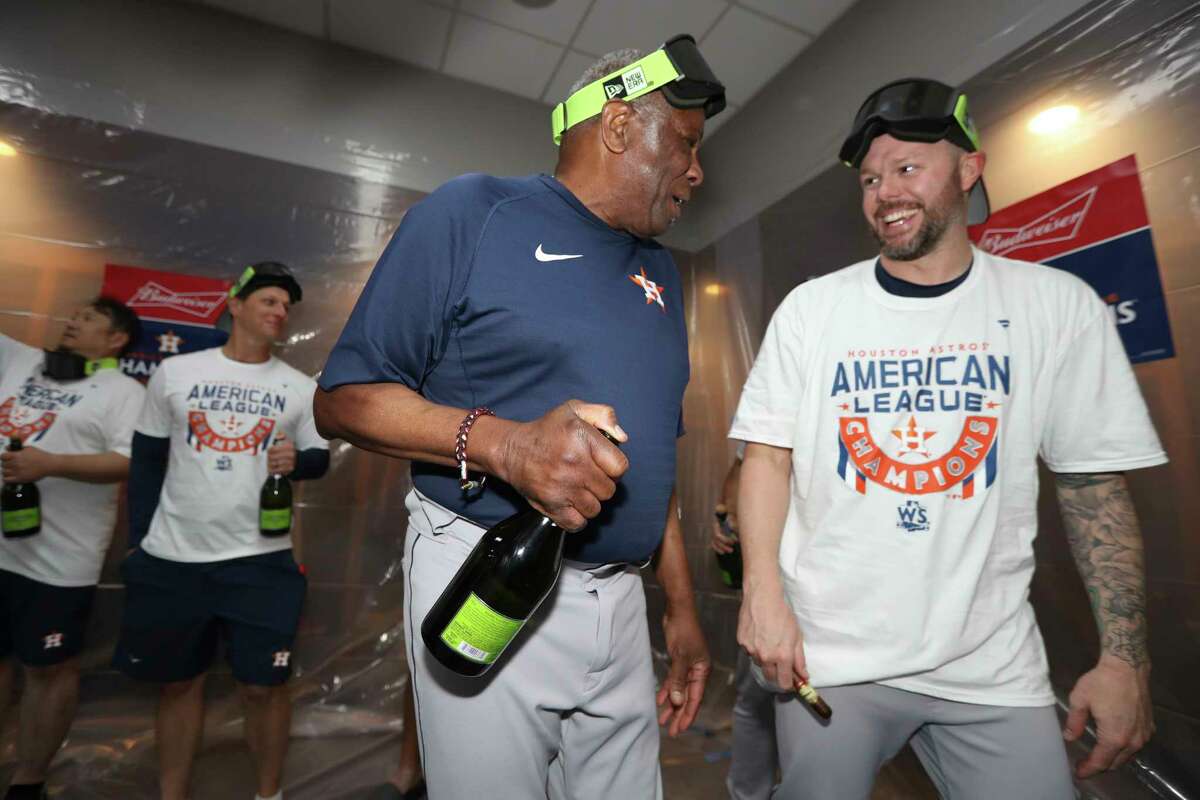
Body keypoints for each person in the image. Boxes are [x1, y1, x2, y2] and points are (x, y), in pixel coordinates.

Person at [730, 78, 1166, 800]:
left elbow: (1092, 486)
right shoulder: (814, 310)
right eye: (870, 178)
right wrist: (762, 596)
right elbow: (768, 458)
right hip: (832, 658)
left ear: (969, 169)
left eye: (907, 168)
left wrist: (1126, 660)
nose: (884, 192)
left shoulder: (1055, 307)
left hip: (990, 664)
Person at [314, 35, 725, 800]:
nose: (698, 172)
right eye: (688, 144)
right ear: (618, 127)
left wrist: (682, 607)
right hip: (488, 573)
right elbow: (342, 398)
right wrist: (504, 446)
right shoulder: (474, 212)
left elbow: (655, 459)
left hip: (622, 603)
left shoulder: (661, 272)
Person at [112, 262, 330, 800]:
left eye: (285, 306)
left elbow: (320, 458)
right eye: (269, 302)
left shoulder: (298, 389)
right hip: (172, 557)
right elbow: (145, 462)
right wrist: (140, 541)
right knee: (180, 683)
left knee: (264, 687)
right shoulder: (177, 372)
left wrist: (297, 461)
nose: (280, 312)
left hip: (259, 560)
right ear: (235, 304)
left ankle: (268, 794)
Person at [0, 298, 144, 800]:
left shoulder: (123, 390)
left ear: (115, 340)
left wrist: (49, 464)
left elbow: (131, 461)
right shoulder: (20, 361)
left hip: (60, 559)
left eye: (89, 320)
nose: (73, 320)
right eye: (73, 315)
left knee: (48, 668)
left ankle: (28, 780)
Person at [710, 449, 778, 800]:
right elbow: (743, 461)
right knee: (756, 699)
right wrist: (726, 515)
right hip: (774, 578)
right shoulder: (766, 396)